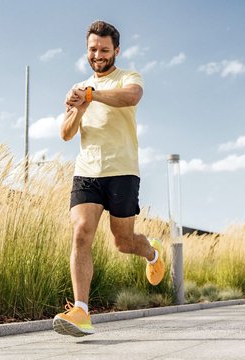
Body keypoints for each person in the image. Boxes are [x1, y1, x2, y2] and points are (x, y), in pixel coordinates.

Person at [53, 20, 165, 337]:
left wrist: (92, 95)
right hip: (87, 171)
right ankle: (81, 311)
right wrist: (79, 107)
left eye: (104, 49)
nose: (98, 55)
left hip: (123, 170)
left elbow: (131, 97)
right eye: (93, 49)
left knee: (122, 241)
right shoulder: (79, 88)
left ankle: (152, 252)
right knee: (81, 232)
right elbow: (65, 133)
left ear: (116, 50)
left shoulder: (128, 78)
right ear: (86, 50)